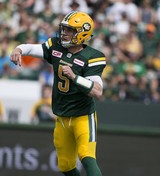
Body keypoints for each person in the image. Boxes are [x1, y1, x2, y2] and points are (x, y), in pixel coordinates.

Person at [10, 11, 106, 176]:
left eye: (70, 30)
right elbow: (32, 48)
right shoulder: (56, 46)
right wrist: (18, 49)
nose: (64, 33)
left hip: (83, 115)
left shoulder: (92, 57)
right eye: (64, 29)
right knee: (65, 166)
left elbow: (97, 91)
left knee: (87, 156)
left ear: (82, 33)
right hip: (62, 116)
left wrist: (75, 77)